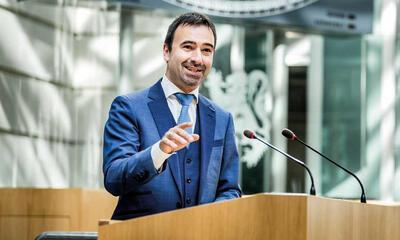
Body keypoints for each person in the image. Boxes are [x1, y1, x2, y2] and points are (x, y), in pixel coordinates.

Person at [103, 12, 241, 220]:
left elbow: (229, 189)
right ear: (166, 51)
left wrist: (209, 218)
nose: (197, 58)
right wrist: (159, 152)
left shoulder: (223, 118)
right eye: (188, 47)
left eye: (206, 50)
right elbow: (114, 178)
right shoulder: (129, 107)